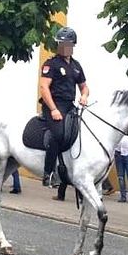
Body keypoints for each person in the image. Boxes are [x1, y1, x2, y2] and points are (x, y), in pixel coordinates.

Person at [38, 26, 89, 187]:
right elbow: (44, 87)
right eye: (62, 44)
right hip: (53, 104)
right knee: (58, 134)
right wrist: (53, 109)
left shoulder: (76, 66)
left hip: (70, 105)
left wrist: (84, 96)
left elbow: (84, 86)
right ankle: (48, 173)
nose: (65, 47)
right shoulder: (51, 64)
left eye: (68, 44)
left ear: (73, 45)